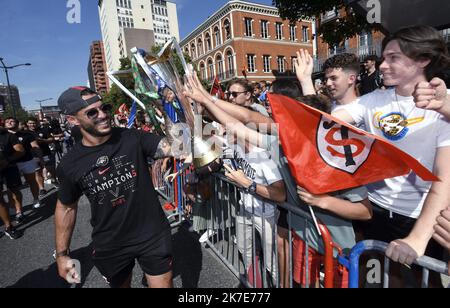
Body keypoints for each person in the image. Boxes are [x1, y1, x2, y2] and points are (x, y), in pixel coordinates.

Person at [332, 25, 450, 284]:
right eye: (383, 58)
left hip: (420, 217)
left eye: (394, 58)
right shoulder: (372, 100)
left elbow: (444, 177)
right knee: (376, 278)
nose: (383, 65)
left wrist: (417, 238)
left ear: (423, 60)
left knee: (423, 280)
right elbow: (329, 122)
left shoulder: (444, 104)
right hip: (376, 210)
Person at [55, 86, 182, 288]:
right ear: (73, 120)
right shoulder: (70, 164)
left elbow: (177, 147)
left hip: (152, 234)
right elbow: (66, 207)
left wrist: (163, 105)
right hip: (111, 242)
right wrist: (62, 255)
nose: (103, 115)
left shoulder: (132, 137)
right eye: (92, 112)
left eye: (104, 108)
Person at [5, 117, 46, 209]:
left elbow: (35, 146)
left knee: (31, 181)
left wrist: (41, 159)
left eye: (12, 121)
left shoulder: (27, 134)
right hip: (11, 164)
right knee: (11, 187)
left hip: (27, 161)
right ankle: (13, 206)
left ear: (17, 123)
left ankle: (36, 199)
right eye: (7, 121)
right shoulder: (3, 136)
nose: (9, 122)